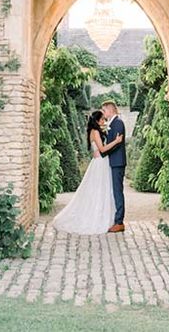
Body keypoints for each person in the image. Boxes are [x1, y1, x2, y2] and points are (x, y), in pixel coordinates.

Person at [52, 109, 124, 235]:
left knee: (103, 190)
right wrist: (116, 141)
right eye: (102, 119)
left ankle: (107, 217)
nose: (104, 121)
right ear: (97, 121)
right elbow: (101, 149)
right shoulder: (95, 132)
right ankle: (97, 217)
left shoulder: (96, 131)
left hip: (101, 163)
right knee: (99, 191)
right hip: (100, 163)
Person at [102, 100, 127, 233]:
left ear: (110, 110)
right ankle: (116, 219)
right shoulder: (112, 123)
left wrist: (104, 151)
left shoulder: (118, 123)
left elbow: (117, 143)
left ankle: (119, 222)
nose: (104, 114)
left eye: (104, 111)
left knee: (118, 191)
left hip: (118, 162)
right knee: (115, 191)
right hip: (114, 162)